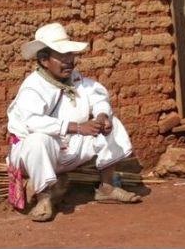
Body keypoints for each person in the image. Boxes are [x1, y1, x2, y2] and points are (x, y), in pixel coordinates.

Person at [7, 22, 141, 222]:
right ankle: (44, 198)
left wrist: (102, 115)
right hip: (37, 155)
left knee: (113, 124)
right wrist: (78, 128)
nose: (70, 61)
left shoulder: (74, 78)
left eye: (70, 55)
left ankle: (107, 187)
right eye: (62, 57)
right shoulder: (32, 87)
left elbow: (97, 95)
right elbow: (33, 123)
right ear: (44, 60)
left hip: (68, 148)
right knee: (38, 140)